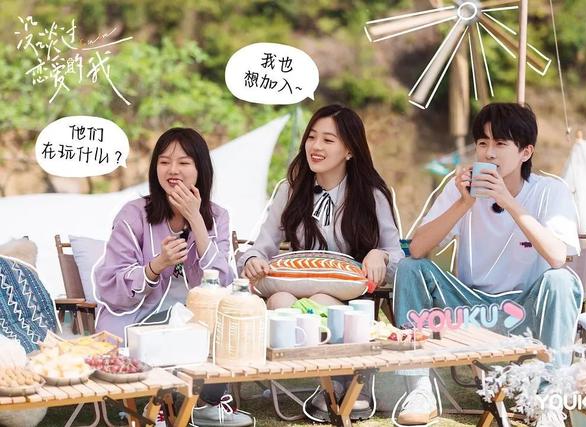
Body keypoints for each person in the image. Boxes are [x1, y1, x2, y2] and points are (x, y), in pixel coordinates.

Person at [392, 103, 582, 425]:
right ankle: (420, 388)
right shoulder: (461, 189)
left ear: (525, 152)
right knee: (411, 269)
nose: (488, 153)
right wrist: (464, 203)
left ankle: (548, 399)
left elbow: (556, 257)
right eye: (482, 143)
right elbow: (417, 250)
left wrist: (508, 201)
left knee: (561, 280)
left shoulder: (550, 191)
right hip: (468, 309)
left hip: (524, 310)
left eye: (500, 143)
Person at [239, 104, 405, 420]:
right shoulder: (290, 190)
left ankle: (339, 384)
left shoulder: (371, 194)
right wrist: (253, 261)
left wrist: (379, 254)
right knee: (280, 299)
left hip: (351, 298)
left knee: (321, 299)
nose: (315, 146)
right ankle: (332, 383)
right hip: (294, 291)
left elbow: (397, 257)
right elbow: (260, 246)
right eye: (312, 137)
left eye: (328, 140)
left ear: (350, 150)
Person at [93, 128, 251, 427]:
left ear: (200, 169)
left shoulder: (217, 216)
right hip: (140, 315)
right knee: (173, 334)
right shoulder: (133, 214)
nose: (173, 170)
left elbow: (222, 282)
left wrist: (196, 220)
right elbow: (111, 283)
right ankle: (160, 401)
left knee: (220, 324)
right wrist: (157, 265)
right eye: (164, 162)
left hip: (195, 315)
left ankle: (204, 403)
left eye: (184, 162)